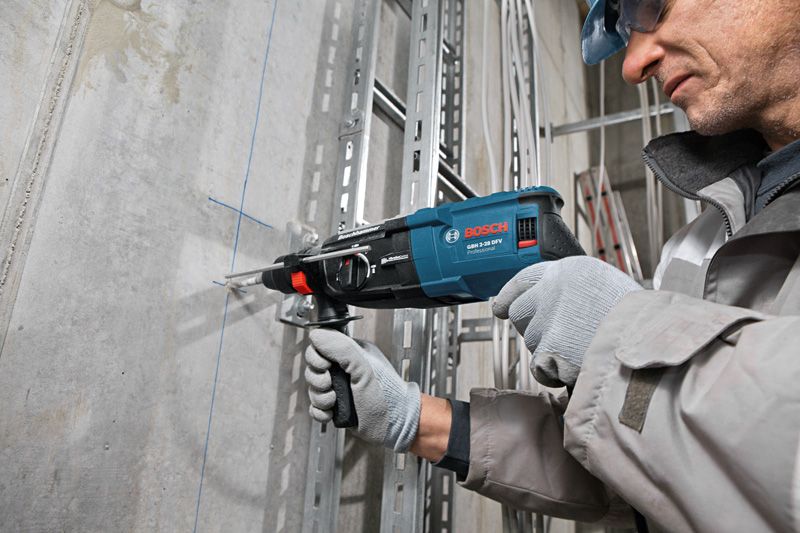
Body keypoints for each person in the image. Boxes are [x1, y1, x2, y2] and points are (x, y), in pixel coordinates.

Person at [302, 0, 800, 530]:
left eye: (650, 6)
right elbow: (647, 479)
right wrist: (413, 418)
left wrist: (627, 334)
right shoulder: (696, 246)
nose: (633, 66)